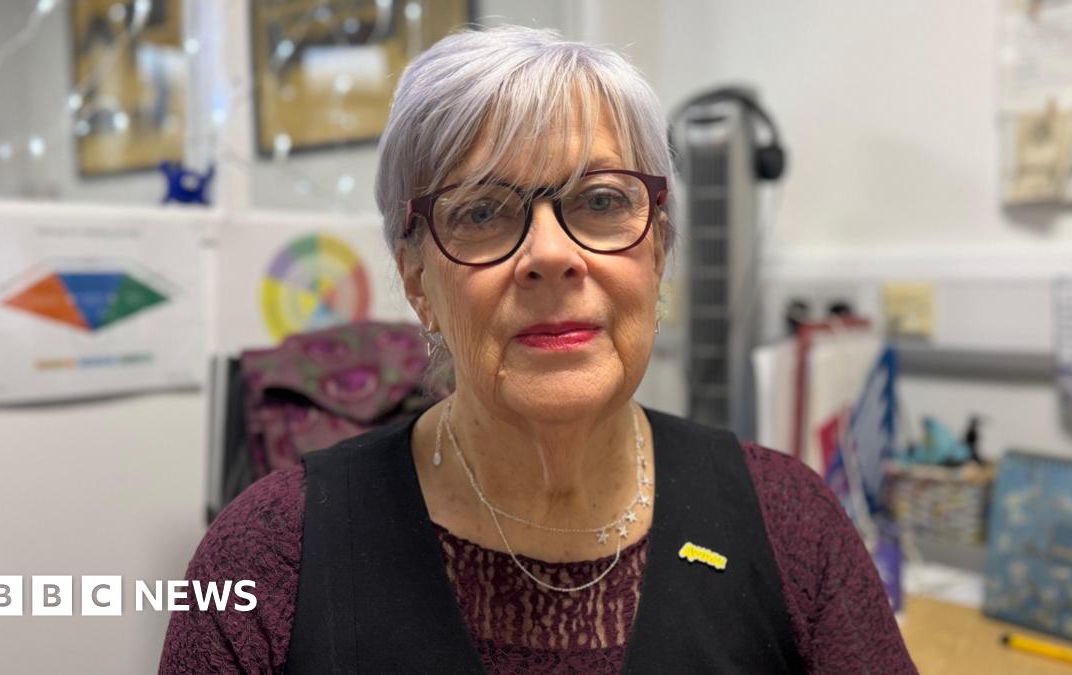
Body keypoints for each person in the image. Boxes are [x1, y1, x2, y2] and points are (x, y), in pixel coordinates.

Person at [159, 25, 916, 674]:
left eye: (601, 200)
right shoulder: (265, 556)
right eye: (484, 211)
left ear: (658, 249)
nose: (551, 255)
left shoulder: (795, 529)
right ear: (417, 279)